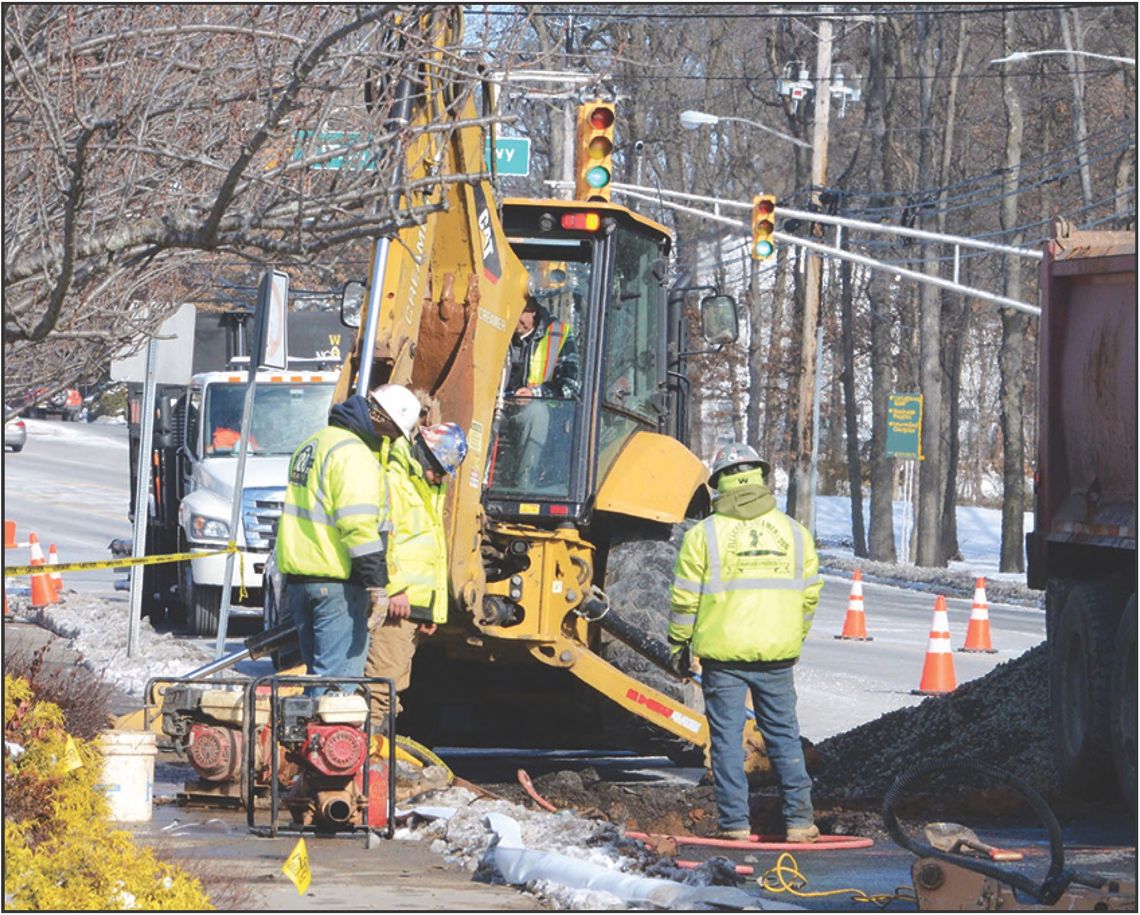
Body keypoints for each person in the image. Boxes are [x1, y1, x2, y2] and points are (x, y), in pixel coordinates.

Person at [667, 443, 824, 844]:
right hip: (776, 655)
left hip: (722, 658)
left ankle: (735, 825)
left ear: (718, 482)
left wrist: (679, 645)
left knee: (725, 741)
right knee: (784, 736)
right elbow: (808, 597)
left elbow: (685, 598)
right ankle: (800, 822)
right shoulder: (795, 533)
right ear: (760, 477)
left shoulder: (704, 535)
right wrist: (793, 637)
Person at [275, 383, 422, 693]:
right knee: (336, 689)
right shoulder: (354, 455)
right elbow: (359, 527)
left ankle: (302, 739)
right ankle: (319, 742)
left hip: (301, 581)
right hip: (337, 584)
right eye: (394, 433)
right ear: (383, 420)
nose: (391, 440)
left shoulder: (314, 443)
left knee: (318, 678)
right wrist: (378, 584)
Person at [364, 421, 468, 731]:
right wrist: (393, 588)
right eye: (437, 468)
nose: (439, 476)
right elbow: (382, 541)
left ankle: (377, 760)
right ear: (422, 453)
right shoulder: (396, 483)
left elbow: (428, 553)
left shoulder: (426, 489)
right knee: (380, 688)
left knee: (392, 687)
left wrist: (431, 608)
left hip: (412, 610)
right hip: (397, 604)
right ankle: (367, 764)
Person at [501, 296, 580, 487]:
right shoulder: (497, 330)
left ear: (533, 310)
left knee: (535, 413)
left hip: (542, 416)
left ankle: (524, 484)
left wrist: (535, 394)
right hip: (499, 407)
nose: (513, 319)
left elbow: (571, 385)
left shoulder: (558, 335)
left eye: (520, 312)